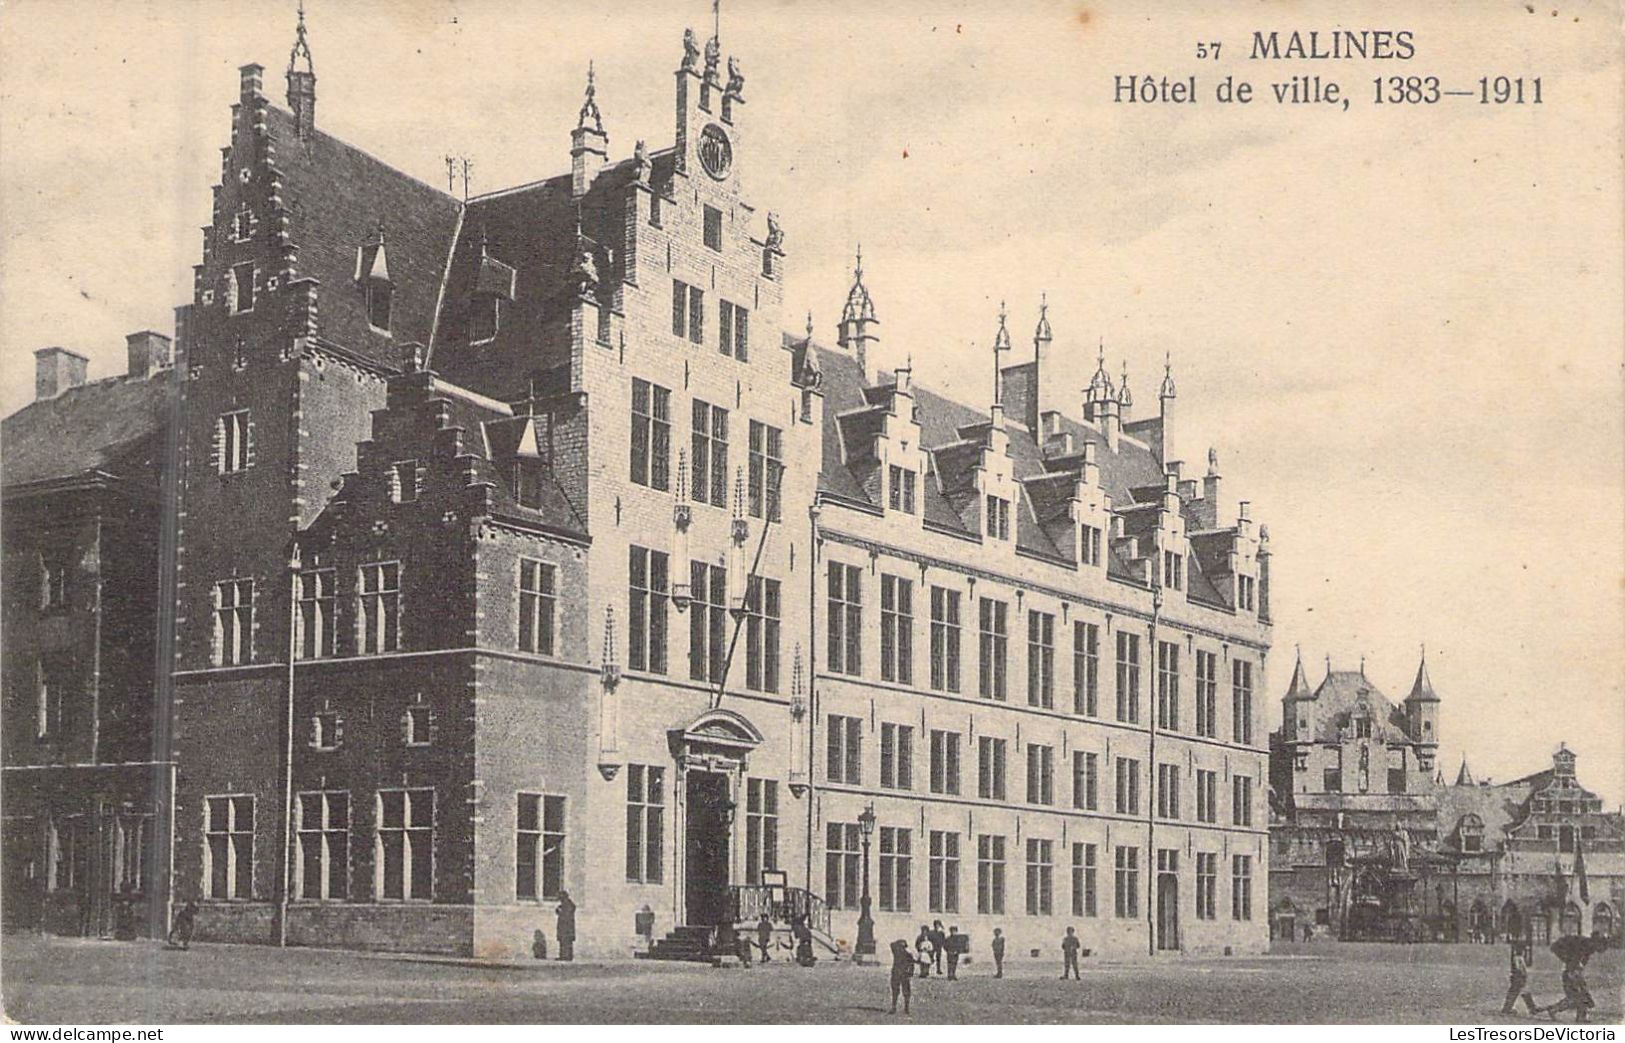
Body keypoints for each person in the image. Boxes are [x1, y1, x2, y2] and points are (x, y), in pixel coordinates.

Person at [1542, 936, 1601, 1022]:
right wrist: (1573, 970)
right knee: (1574, 998)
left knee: (1583, 994)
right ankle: (1554, 1010)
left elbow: (1581, 962)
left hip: (1575, 972)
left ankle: (1581, 1017)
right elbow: (1574, 961)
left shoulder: (1588, 948)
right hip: (1571, 974)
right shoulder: (1583, 946)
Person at [1501, 939, 1538, 1015]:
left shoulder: (1518, 957)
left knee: (1521, 992)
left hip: (1518, 977)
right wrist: (1523, 974)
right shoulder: (1518, 958)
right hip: (1518, 977)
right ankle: (1531, 1008)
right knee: (1517, 992)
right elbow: (1519, 968)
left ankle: (1531, 1008)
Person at [889, 938, 915, 1015]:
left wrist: (910, 973)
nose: (901, 948)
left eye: (902, 947)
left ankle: (906, 1008)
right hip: (897, 973)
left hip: (903, 974)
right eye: (900, 946)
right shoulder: (897, 952)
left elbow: (911, 965)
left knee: (905, 992)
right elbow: (892, 944)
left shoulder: (907, 954)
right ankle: (895, 1007)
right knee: (896, 991)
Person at [555, 890, 577, 961]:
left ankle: (567, 956)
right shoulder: (564, 904)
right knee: (563, 941)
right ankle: (563, 955)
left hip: (567, 927)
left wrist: (560, 911)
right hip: (564, 926)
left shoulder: (568, 905)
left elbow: (566, 915)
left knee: (566, 941)